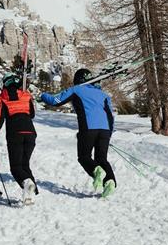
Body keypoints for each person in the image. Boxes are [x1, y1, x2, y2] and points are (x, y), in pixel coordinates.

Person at [40, 68, 117, 198]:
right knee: (102, 159)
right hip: (105, 130)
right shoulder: (103, 95)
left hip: (88, 128)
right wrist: (108, 133)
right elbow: (110, 116)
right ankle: (109, 181)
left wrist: (42, 96)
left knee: (84, 157)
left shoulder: (76, 90)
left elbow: (55, 101)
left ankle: (96, 170)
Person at [0, 72, 38, 204]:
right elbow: (32, 114)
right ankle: (30, 195)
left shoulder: (2, 97)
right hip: (30, 133)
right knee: (24, 165)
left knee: (16, 167)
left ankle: (28, 184)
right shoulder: (25, 94)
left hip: (15, 134)